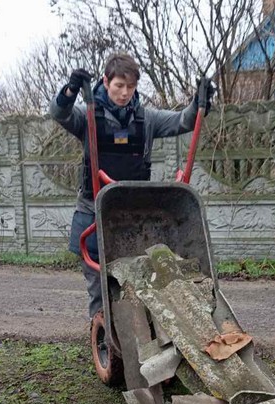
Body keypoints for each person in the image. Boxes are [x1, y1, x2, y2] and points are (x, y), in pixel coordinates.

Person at [49, 53, 213, 320]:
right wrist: (69, 92)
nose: (125, 93)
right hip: (94, 211)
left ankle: (136, 332)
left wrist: (200, 102)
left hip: (134, 216)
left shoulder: (145, 119)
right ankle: (103, 335)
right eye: (119, 86)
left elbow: (183, 121)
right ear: (106, 81)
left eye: (131, 87)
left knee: (138, 280)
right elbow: (59, 114)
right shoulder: (89, 115)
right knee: (99, 285)